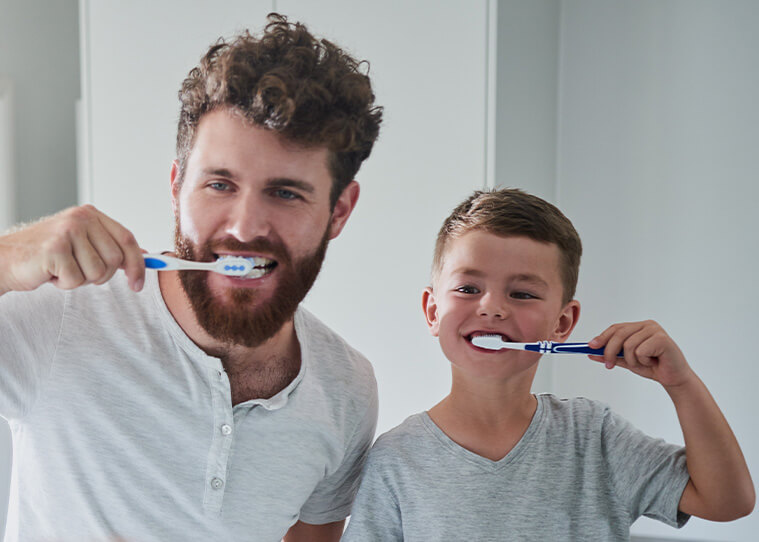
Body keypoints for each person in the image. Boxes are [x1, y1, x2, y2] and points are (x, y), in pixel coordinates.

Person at [0, 13, 382, 542]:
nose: (245, 227)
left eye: (286, 193)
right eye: (220, 184)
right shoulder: (60, 316)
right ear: (177, 187)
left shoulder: (348, 391)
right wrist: (7, 256)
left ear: (339, 210)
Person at [342, 188, 754, 541]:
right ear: (433, 310)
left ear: (562, 323)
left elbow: (728, 502)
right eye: (469, 288)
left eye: (522, 293)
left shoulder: (595, 438)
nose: (492, 307)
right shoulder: (396, 460)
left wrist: (681, 385)